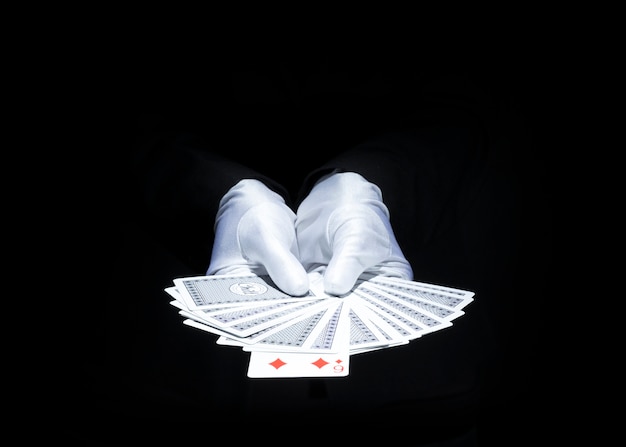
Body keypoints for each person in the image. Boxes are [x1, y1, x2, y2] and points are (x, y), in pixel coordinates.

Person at [60, 55, 549, 446]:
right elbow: (113, 96)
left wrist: (375, 186)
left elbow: (473, 90)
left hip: (412, 393)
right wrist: (217, 193)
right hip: (160, 374)